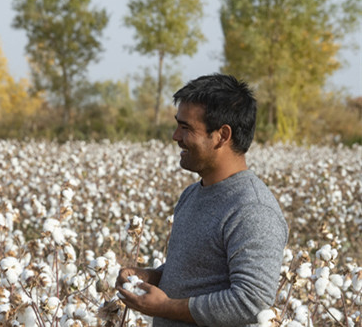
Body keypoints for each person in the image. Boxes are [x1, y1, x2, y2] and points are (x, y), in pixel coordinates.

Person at [115, 74, 288, 326]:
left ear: (222, 135)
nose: (175, 136)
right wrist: (151, 277)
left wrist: (165, 307)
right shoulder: (193, 193)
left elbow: (252, 301)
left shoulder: (252, 209)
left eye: (186, 128)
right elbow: (196, 274)